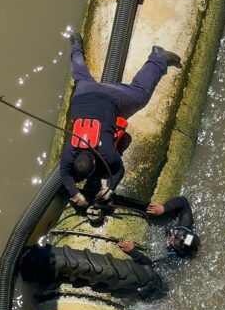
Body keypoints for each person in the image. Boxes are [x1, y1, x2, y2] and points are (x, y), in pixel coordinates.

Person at [60, 32, 182, 207]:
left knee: (140, 94)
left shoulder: (106, 151)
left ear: (94, 162)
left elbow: (118, 170)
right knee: (80, 75)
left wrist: (110, 188)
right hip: (83, 93)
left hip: (108, 97)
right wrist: (76, 193)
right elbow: (64, 172)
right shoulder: (71, 149)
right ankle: (75, 45)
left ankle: (158, 58)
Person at [117, 196, 201, 264]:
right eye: (176, 234)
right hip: (174, 228)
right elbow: (184, 202)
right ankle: (118, 200)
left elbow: (151, 265)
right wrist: (164, 208)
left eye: (174, 242)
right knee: (158, 211)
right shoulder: (186, 227)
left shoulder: (172, 258)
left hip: (182, 252)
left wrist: (133, 252)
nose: (172, 237)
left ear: (179, 251)